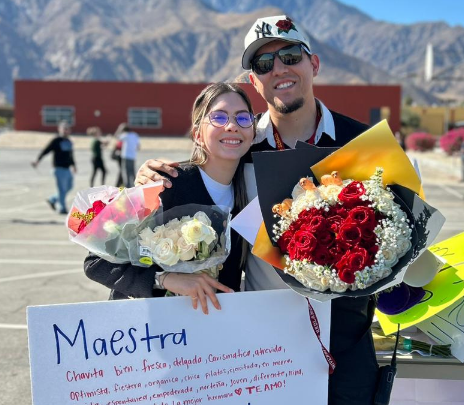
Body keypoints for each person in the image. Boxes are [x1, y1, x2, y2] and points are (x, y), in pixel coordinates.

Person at [135, 16, 379, 404]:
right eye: (264, 64)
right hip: (264, 343)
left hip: (346, 341)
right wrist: (150, 176)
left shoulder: (365, 143)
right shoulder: (242, 145)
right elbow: (202, 175)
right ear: (254, 81)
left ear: (313, 64)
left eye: (290, 56)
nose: (279, 69)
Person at [84, 83, 255, 314]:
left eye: (243, 118)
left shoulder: (251, 193)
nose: (232, 126)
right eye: (219, 117)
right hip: (153, 335)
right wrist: (164, 279)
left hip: (214, 336)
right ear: (197, 135)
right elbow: (96, 262)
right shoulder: (162, 182)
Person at [32, 121, 76, 214]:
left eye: (67, 129)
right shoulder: (56, 141)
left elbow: (71, 155)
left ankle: (52, 199)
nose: (65, 131)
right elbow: (45, 150)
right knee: (62, 189)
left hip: (67, 168)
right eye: (63, 128)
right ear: (59, 129)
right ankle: (62, 208)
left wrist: (74, 166)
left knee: (69, 187)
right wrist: (37, 161)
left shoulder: (69, 141)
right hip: (58, 168)